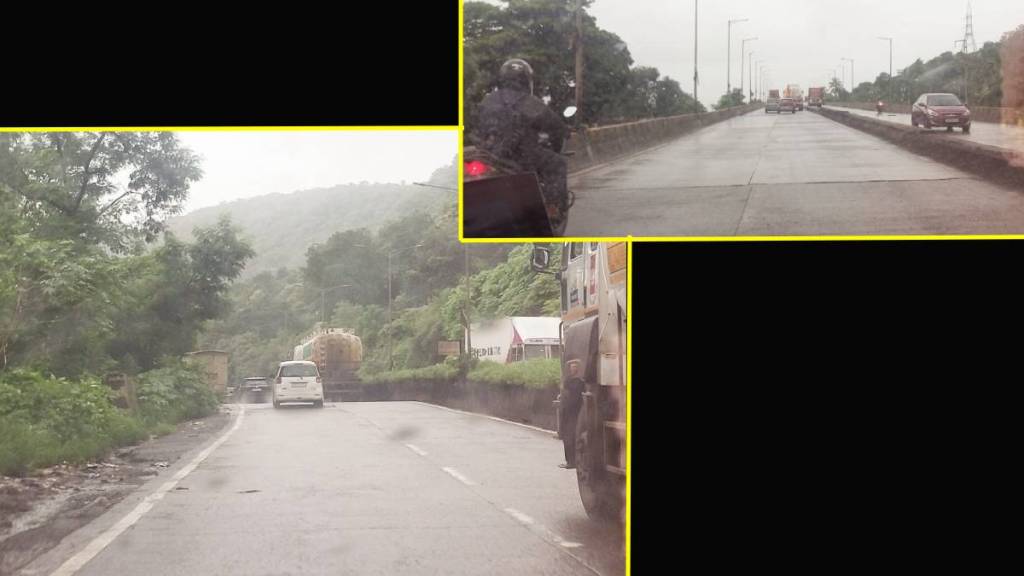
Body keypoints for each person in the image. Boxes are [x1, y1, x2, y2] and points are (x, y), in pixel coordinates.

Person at [474, 59, 570, 216]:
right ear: (527, 80)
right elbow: (557, 128)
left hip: (488, 155)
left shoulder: (488, 100)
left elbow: (475, 127)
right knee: (558, 163)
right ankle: (552, 208)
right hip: (523, 157)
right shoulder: (530, 102)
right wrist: (560, 140)